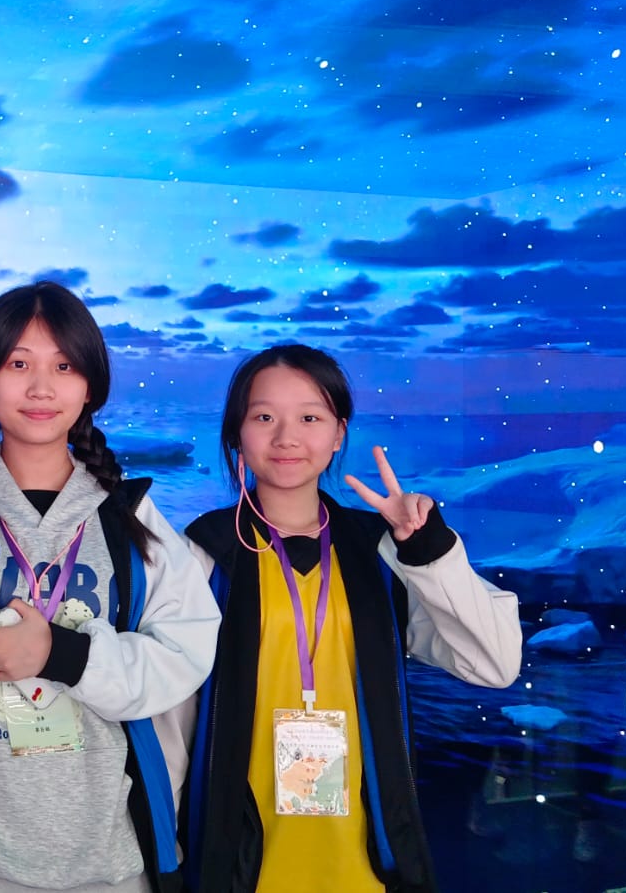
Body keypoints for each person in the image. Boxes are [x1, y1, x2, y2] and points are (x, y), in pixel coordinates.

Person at [0, 281, 222, 893]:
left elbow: (186, 652)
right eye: (19, 364)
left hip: (108, 852)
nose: (41, 388)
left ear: (90, 386)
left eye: (64, 366)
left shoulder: (131, 514)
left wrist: (62, 655)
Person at [180, 343, 523, 892]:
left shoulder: (380, 550)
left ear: (339, 433)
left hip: (367, 863)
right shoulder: (204, 552)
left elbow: (494, 664)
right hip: (242, 863)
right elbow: (172, 720)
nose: (286, 437)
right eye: (264, 417)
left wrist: (429, 552)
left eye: (310, 418)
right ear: (237, 433)